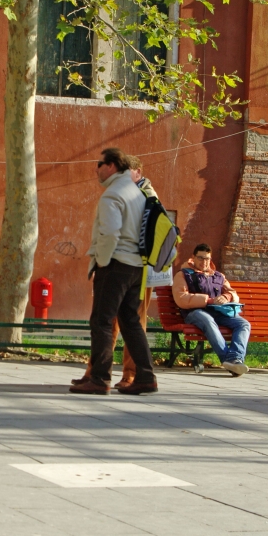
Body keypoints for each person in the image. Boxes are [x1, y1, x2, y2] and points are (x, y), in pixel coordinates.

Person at [71, 148, 157, 396]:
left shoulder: (112, 194)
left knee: (102, 321)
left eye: (99, 164)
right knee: (130, 321)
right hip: (137, 266)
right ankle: (146, 377)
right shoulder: (137, 192)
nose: (96, 170)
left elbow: (109, 233)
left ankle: (99, 379)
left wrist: (102, 261)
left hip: (115, 264)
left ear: (111, 166)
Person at [173, 243, 251, 376]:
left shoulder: (218, 276)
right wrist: (209, 300)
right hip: (194, 312)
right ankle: (229, 361)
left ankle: (235, 358)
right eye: (200, 258)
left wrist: (227, 296)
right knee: (208, 320)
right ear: (193, 257)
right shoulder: (183, 275)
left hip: (219, 312)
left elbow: (233, 293)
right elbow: (182, 298)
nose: (204, 262)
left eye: (207, 258)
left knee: (243, 324)